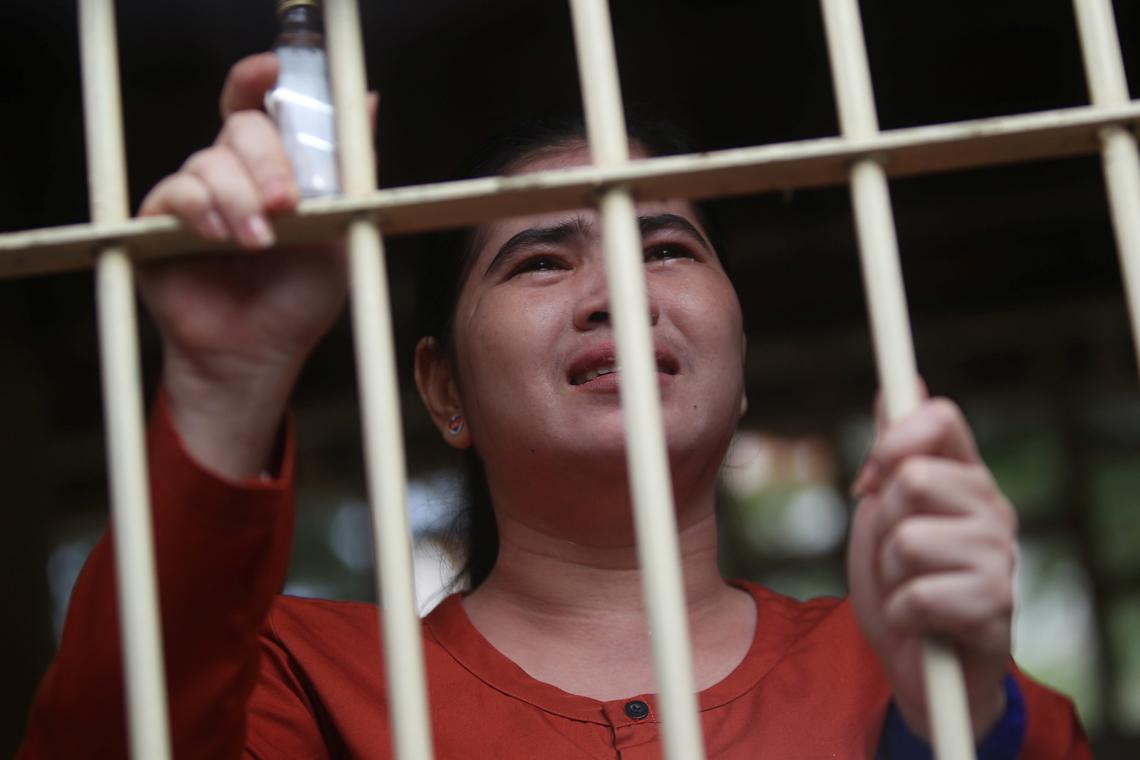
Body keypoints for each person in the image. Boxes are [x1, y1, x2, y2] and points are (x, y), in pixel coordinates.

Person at [18, 53, 1089, 759]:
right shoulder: (311, 682)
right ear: (444, 389)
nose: (620, 290)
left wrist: (955, 716)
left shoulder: (925, 667)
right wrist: (224, 384)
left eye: (665, 246)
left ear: (741, 358)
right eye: (540, 259)